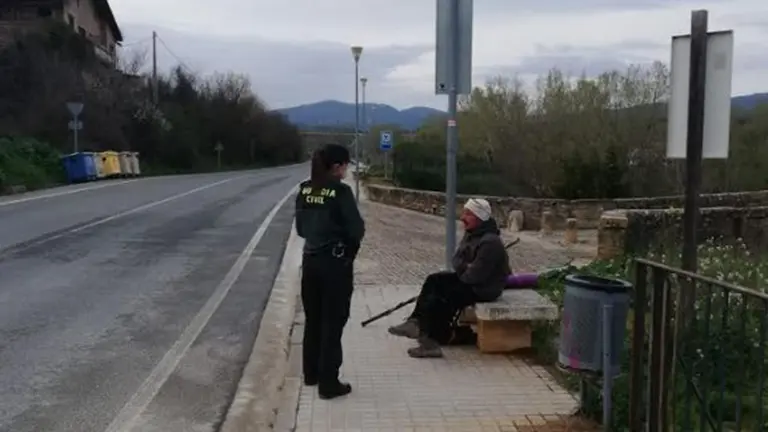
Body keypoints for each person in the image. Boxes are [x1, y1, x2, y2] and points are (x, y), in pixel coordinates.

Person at [388, 198, 511, 358]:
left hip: (485, 289)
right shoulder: (472, 234)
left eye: (468, 214)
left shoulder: (490, 242)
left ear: (479, 217)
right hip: (470, 280)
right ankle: (416, 322)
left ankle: (430, 342)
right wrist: (466, 266)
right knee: (434, 280)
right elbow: (456, 260)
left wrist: (465, 267)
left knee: (444, 297)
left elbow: (473, 276)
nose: (462, 217)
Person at [294, 144, 365, 399]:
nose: (347, 169)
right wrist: (348, 254)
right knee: (332, 323)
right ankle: (329, 383)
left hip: (310, 262)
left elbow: (301, 229)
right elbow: (356, 230)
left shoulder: (305, 189)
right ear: (337, 166)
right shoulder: (341, 192)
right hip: (334, 265)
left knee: (313, 320)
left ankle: (311, 374)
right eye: (346, 165)